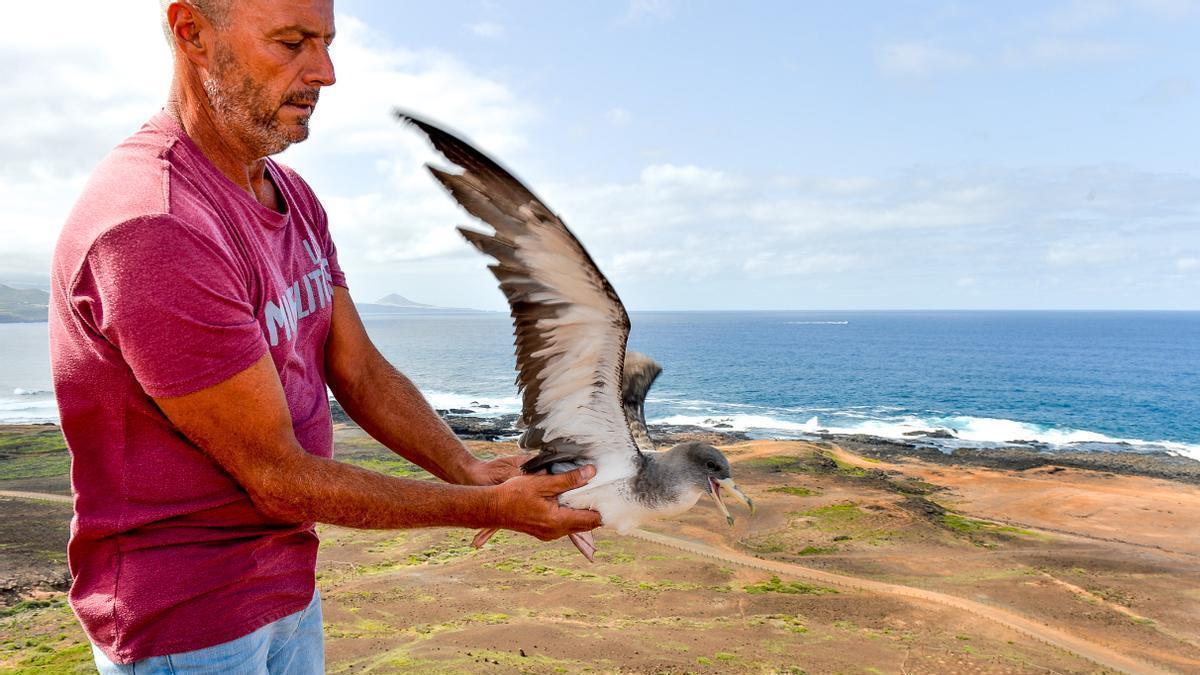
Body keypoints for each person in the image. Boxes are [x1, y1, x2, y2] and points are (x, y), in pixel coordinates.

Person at [47, 1, 602, 672]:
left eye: (327, 42)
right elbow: (278, 477)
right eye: (293, 43)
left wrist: (467, 466)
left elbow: (359, 369)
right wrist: (487, 507)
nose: (327, 72)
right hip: (188, 624)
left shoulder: (291, 194)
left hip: (284, 588)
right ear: (193, 33)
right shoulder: (157, 225)